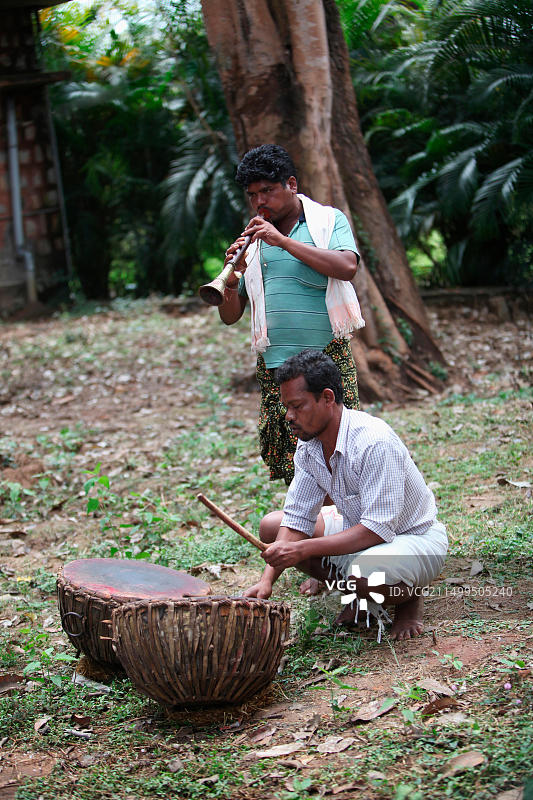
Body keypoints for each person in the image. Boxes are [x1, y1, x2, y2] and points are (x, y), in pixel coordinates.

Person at [244, 350, 448, 641]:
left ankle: (409, 598)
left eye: (297, 406)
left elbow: (377, 529)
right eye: (287, 407)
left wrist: (302, 550)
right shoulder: (309, 444)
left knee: (362, 574)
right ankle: (360, 596)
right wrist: (266, 582)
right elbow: (297, 518)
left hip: (413, 537)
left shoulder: (374, 442)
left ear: (327, 398)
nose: (289, 416)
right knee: (273, 528)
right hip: (362, 532)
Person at [218, 144, 365, 485]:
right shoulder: (253, 239)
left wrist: (282, 241)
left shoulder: (327, 221)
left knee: (341, 452)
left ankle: (343, 515)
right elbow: (230, 316)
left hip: (327, 360)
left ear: (292, 185)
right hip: (276, 368)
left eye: (268, 191)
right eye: (252, 195)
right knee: (293, 462)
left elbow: (347, 266)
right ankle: (306, 516)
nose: (260, 201)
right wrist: (231, 281)